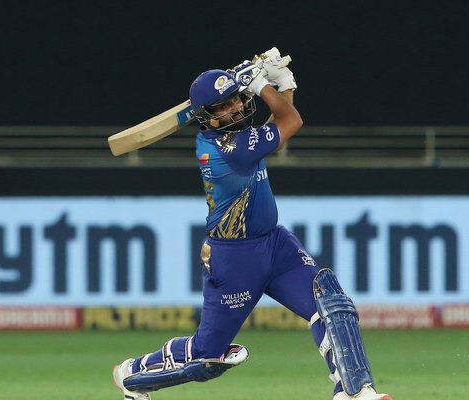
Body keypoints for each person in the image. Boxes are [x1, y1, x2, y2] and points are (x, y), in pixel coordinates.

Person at [112, 48, 391, 400]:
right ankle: (134, 374)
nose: (234, 108)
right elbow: (290, 121)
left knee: (331, 305)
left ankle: (355, 392)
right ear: (206, 117)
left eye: (235, 99)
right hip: (235, 260)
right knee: (207, 356)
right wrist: (262, 85)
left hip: (275, 245)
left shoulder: (242, 139)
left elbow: (280, 129)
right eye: (222, 106)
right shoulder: (225, 148)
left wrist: (283, 85)